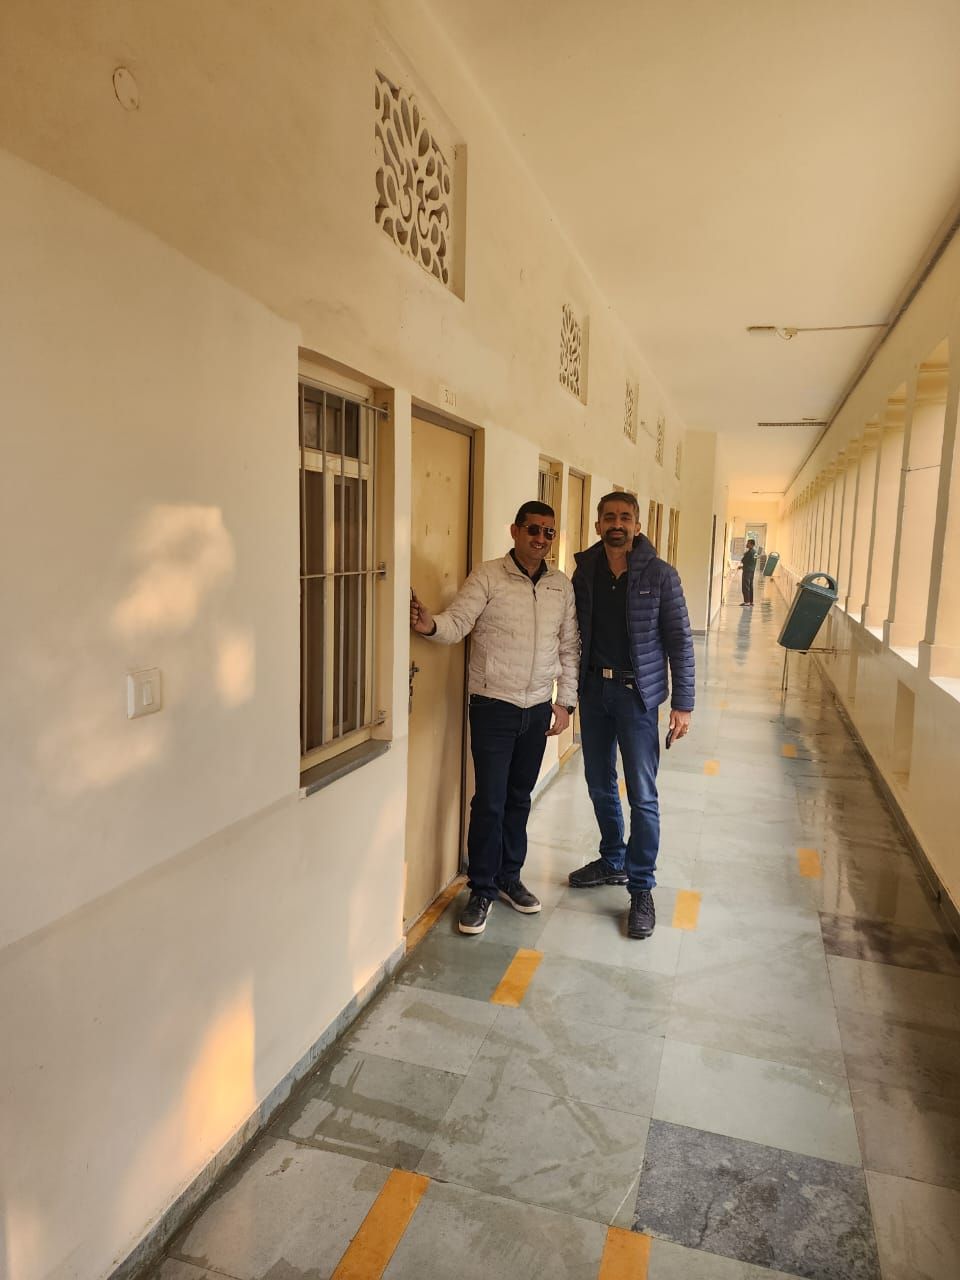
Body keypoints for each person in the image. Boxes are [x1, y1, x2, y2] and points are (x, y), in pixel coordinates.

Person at [411, 501, 579, 936]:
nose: (540, 539)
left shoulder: (560, 586)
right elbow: (458, 621)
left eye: (548, 532)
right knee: (490, 800)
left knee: (519, 798)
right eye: (533, 530)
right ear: (515, 531)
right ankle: (481, 888)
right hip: (493, 705)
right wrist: (430, 626)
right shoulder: (488, 576)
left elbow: (568, 647)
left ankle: (509, 877)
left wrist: (565, 703)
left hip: (538, 707)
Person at [567, 493, 695, 939]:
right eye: (609, 517)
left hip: (637, 697)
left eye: (625, 517)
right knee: (598, 782)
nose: (616, 524)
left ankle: (641, 888)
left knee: (642, 794)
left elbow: (680, 641)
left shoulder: (660, 575)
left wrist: (683, 703)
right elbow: (571, 632)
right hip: (594, 692)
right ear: (598, 524)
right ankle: (613, 858)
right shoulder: (585, 571)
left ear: (637, 525)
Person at [739, 538, 757, 606]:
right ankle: (750, 601)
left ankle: (747, 602)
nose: (746, 544)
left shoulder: (749, 552)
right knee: (750, 586)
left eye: (748, 543)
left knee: (745, 586)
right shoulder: (755, 552)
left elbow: (744, 561)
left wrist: (744, 555)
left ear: (752, 544)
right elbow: (751, 562)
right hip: (752, 571)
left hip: (747, 571)